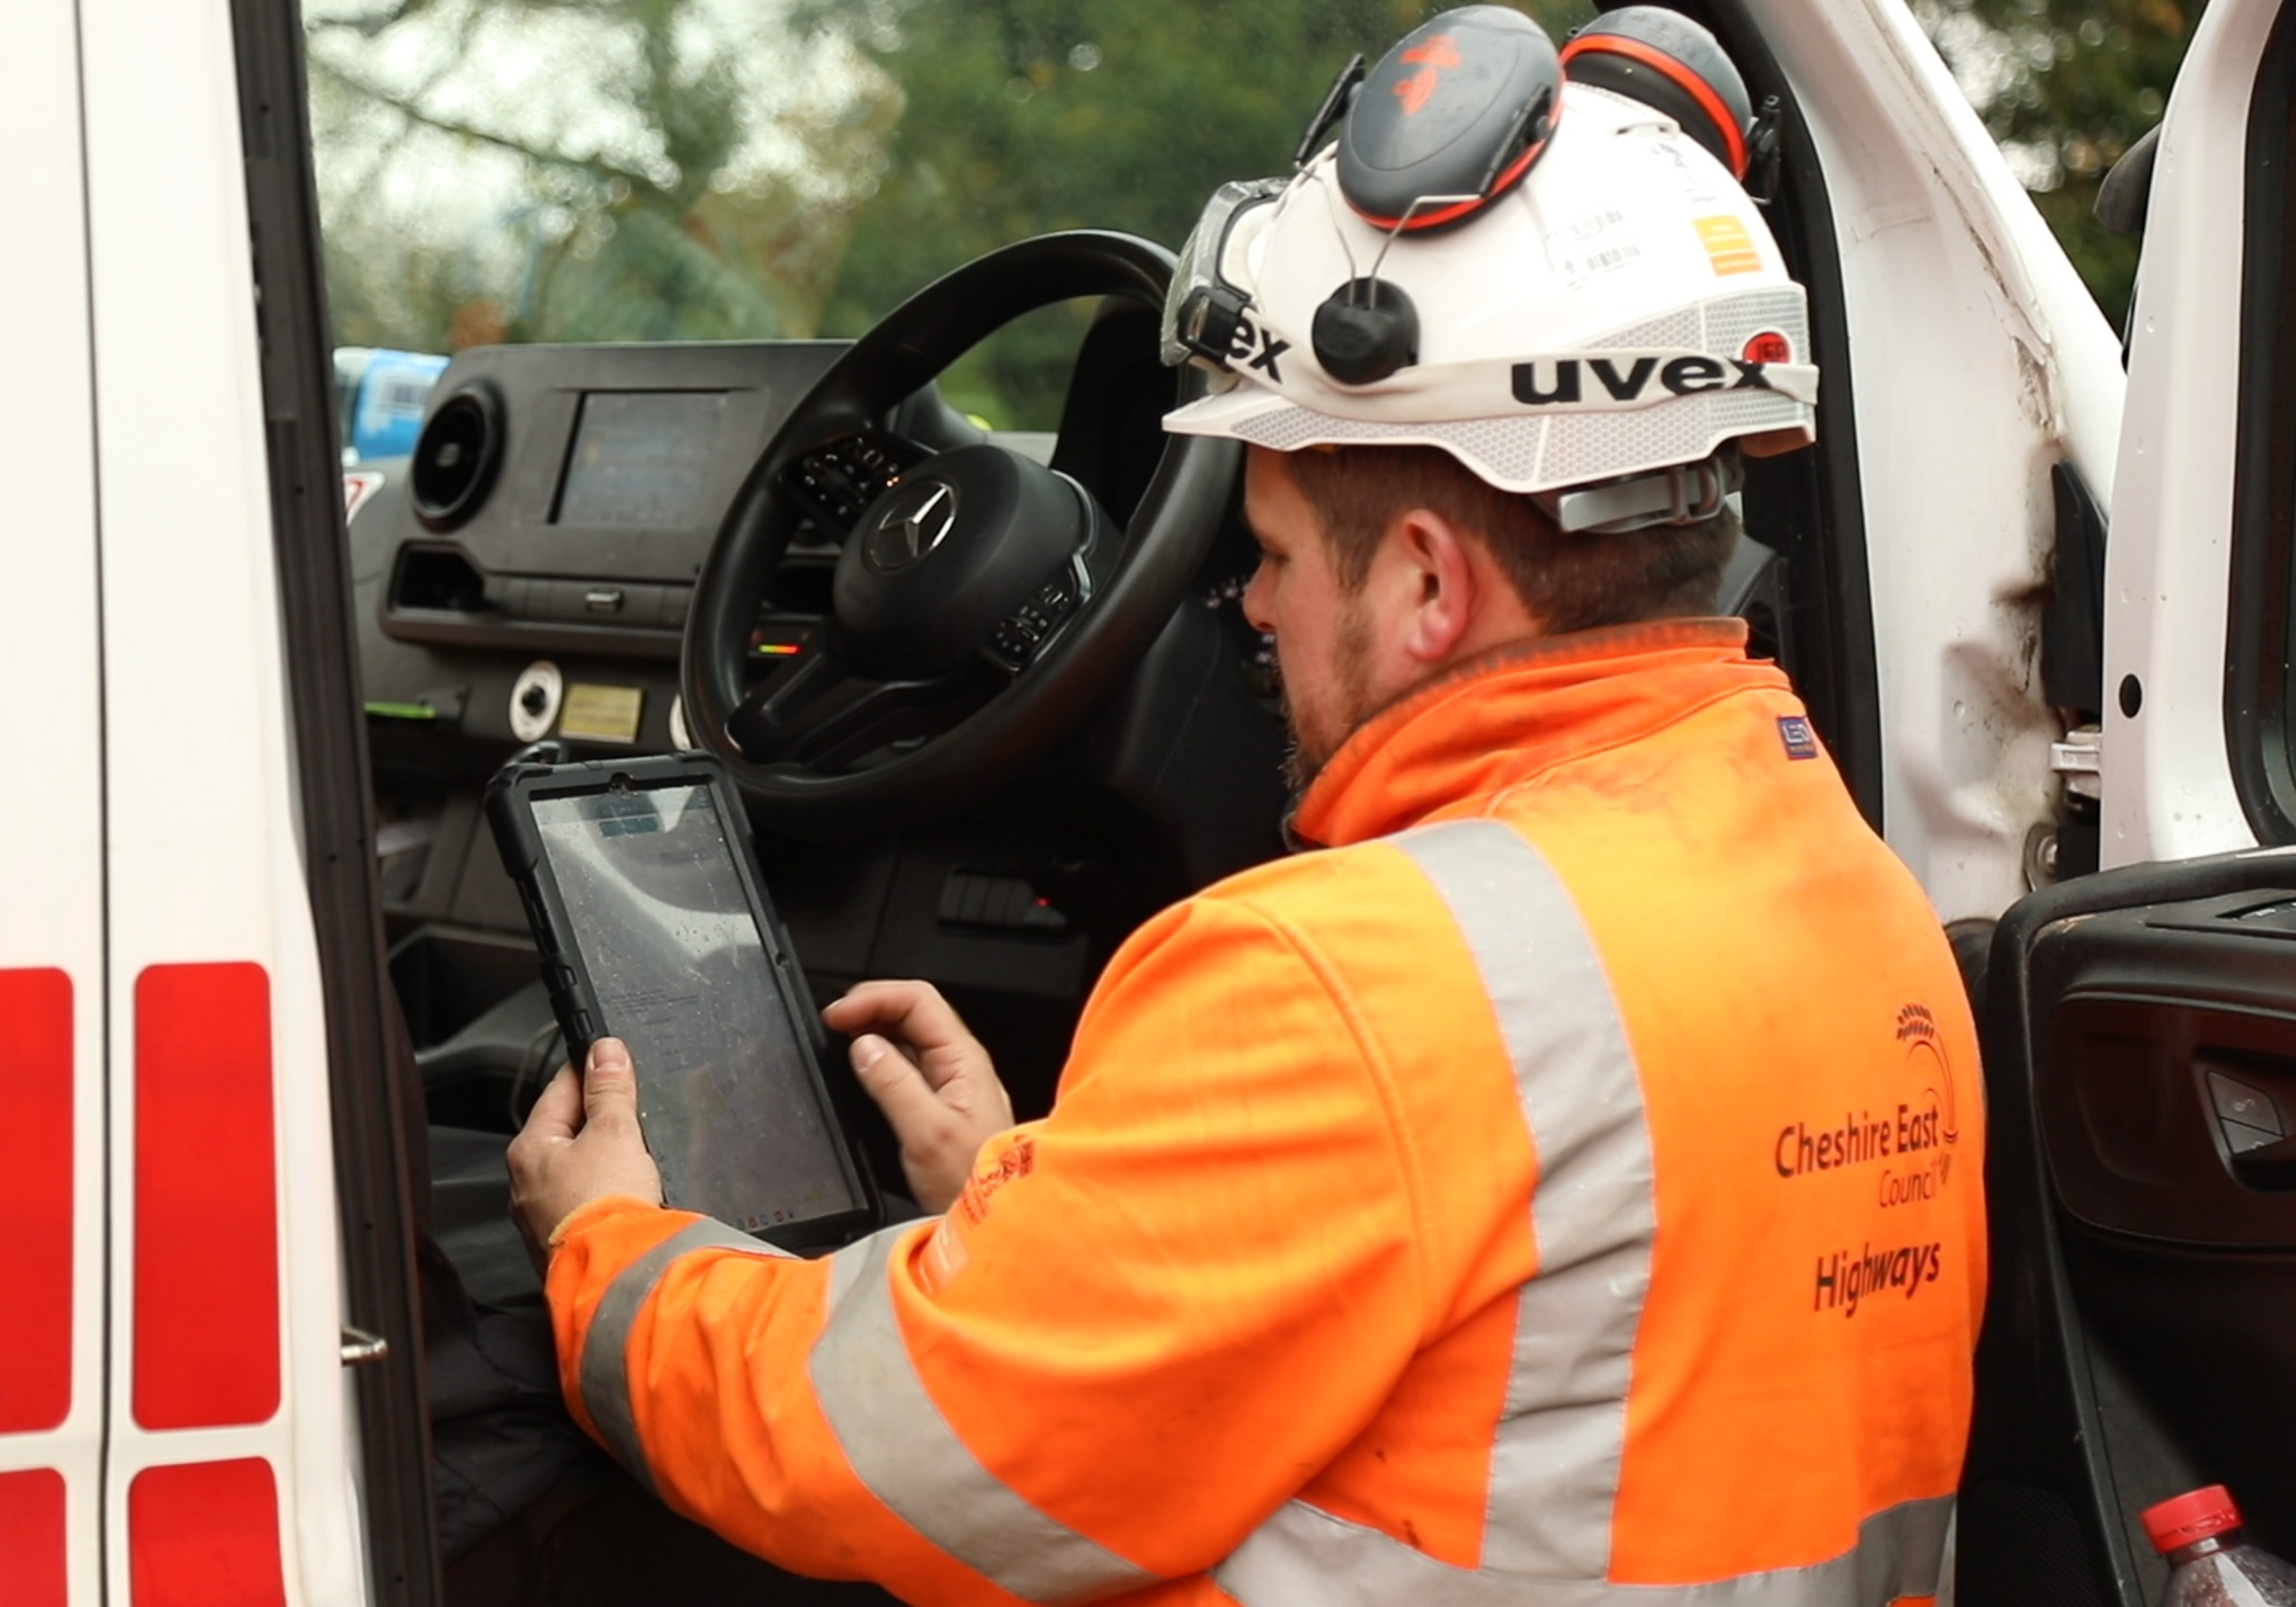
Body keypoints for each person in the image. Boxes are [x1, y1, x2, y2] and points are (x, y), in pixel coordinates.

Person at [506, 12, 1987, 1604]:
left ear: (1426, 584)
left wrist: (608, 1253)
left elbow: (896, 1454)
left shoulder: (1346, 984)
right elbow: (1524, 1339)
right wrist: (1049, 1207)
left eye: (1271, 554)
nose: (1254, 611)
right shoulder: (1852, 885)